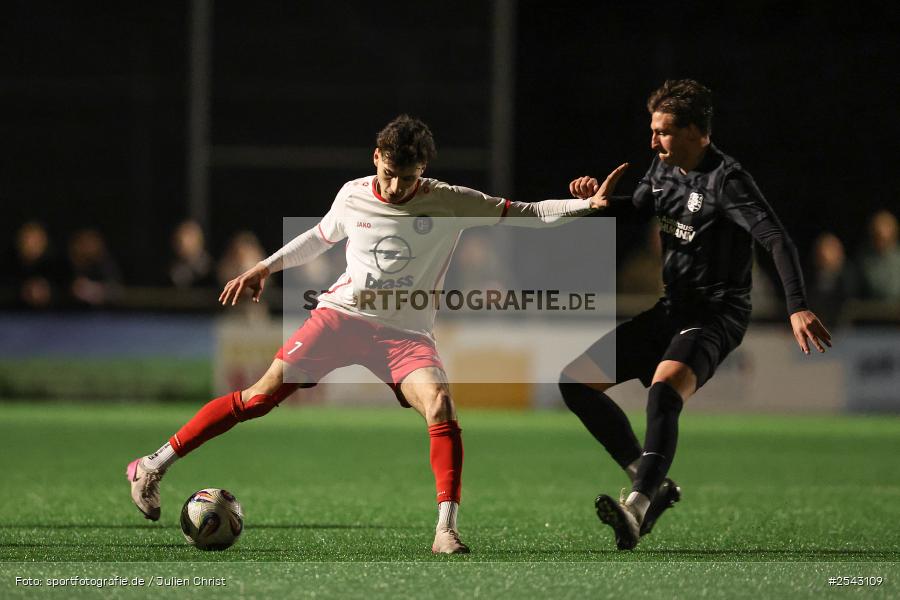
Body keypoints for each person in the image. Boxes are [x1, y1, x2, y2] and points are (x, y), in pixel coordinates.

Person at [126, 114, 628, 554]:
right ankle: (151, 465)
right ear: (376, 158)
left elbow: (529, 213)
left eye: (405, 178)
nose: (392, 188)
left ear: (422, 173)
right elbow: (320, 236)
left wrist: (586, 206)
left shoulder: (450, 202)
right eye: (387, 173)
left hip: (404, 335)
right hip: (340, 318)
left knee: (441, 407)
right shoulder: (352, 193)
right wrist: (266, 266)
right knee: (257, 398)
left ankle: (445, 530)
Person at [559, 80, 832, 551]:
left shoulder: (728, 181)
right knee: (573, 381)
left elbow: (776, 239)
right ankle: (648, 481)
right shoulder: (662, 168)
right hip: (671, 308)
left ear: (696, 133)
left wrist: (797, 305)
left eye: (663, 132)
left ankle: (638, 507)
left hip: (717, 314)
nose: (653, 141)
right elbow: (639, 208)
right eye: (652, 130)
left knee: (665, 392)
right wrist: (595, 204)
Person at [856, 210, 900, 302]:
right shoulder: (864, 261)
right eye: (877, 236)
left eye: (884, 237)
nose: (881, 238)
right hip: (873, 311)